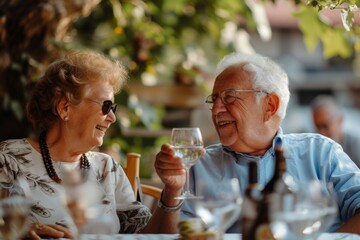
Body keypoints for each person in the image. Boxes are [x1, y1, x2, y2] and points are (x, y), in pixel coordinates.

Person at [155, 52, 360, 234]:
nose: (216, 109)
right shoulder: (198, 166)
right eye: (214, 99)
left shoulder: (321, 153)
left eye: (229, 97)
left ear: (270, 106)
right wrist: (172, 191)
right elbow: (165, 237)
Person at [0, 50, 184, 239]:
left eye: (113, 108)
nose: (112, 118)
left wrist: (172, 191)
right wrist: (16, 231)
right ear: (65, 107)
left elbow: (146, 237)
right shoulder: (9, 160)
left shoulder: (107, 168)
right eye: (105, 106)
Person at [311, 94, 360, 168]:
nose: (321, 132)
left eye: (325, 126)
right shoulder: (315, 148)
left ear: (340, 120)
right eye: (317, 127)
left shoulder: (356, 145)